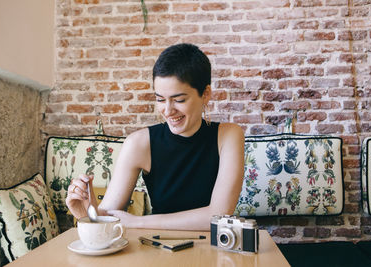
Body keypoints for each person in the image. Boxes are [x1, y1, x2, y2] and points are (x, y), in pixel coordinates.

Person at [66, 43, 245, 231]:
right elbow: (109, 216)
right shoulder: (139, 143)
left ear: (206, 94)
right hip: (156, 247)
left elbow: (218, 216)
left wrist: (138, 222)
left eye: (179, 100)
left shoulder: (228, 136)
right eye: (160, 99)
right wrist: (87, 212)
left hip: (212, 250)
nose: (167, 111)